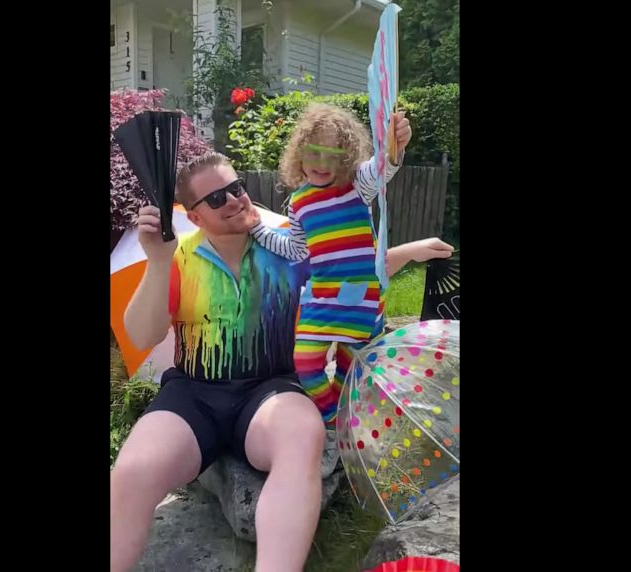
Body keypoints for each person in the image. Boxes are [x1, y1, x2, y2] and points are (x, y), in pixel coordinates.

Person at [110, 151, 453, 572]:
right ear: (195, 217)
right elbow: (143, 335)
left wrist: (409, 252)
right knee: (131, 470)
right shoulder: (178, 258)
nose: (234, 199)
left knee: (301, 437)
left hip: (271, 388)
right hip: (194, 394)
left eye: (236, 188)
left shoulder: (286, 246)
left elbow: (350, 273)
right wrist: (158, 262)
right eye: (216, 198)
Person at [248, 103, 411, 427]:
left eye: (333, 155)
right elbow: (295, 249)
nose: (322, 163)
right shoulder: (299, 202)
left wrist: (395, 147)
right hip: (321, 299)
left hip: (361, 300)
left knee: (351, 373)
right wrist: (257, 230)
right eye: (314, 152)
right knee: (306, 363)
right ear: (299, 153)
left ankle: (342, 425)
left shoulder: (357, 186)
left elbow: (382, 167)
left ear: (347, 159)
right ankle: (332, 417)